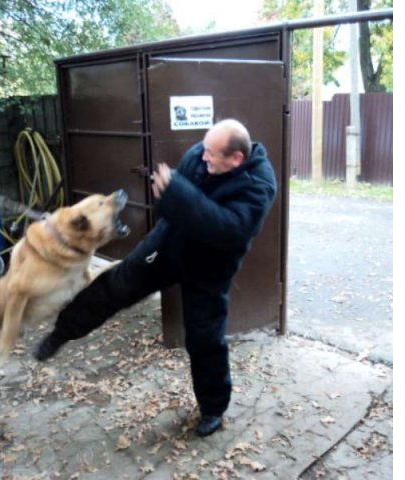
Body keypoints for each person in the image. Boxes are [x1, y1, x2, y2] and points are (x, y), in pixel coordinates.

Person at [33, 119, 277, 437]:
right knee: (115, 286)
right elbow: (170, 205)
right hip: (167, 246)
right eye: (204, 149)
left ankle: (213, 408)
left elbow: (228, 229)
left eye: (211, 154)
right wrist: (168, 194)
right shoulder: (198, 156)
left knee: (205, 339)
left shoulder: (258, 184)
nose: (202, 157)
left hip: (209, 268)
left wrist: (177, 194)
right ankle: (63, 331)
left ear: (236, 159)